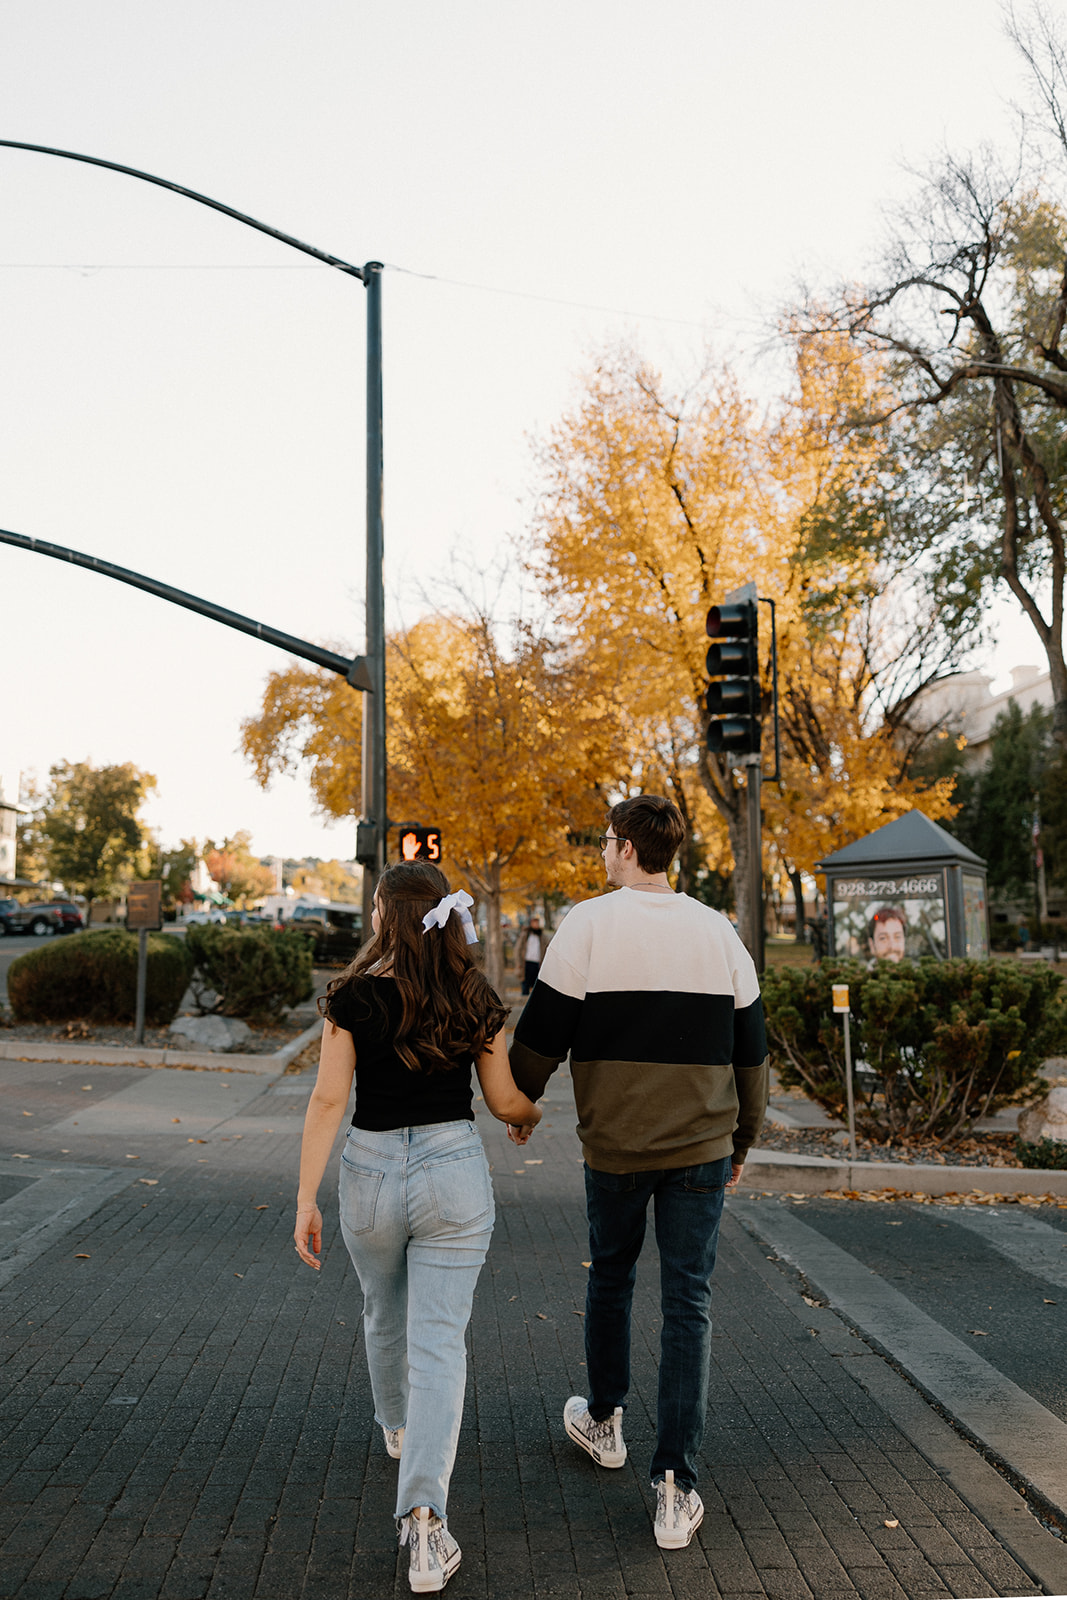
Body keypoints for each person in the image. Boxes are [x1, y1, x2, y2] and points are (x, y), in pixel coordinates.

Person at [509, 795, 767, 1551]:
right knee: (688, 1300)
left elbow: (535, 1047)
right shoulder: (718, 932)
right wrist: (742, 1141)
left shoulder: (586, 924)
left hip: (614, 1148)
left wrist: (520, 1106)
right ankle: (675, 1485)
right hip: (700, 1149)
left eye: (604, 843)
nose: (601, 853)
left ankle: (604, 1419)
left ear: (624, 848)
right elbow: (749, 1054)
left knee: (611, 1276)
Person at [294, 861, 541, 1593]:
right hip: (452, 1174)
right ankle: (426, 1526)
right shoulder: (472, 993)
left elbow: (327, 1102)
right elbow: (501, 1102)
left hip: (369, 1172)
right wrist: (531, 1115)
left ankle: (396, 1427)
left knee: (381, 1309)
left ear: (380, 916)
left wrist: (307, 1195)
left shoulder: (351, 997)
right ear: (447, 918)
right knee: (439, 1342)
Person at [521, 917, 543, 995]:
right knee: (525, 982)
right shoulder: (526, 935)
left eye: (537, 923)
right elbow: (519, 948)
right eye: (534, 923)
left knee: (536, 983)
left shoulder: (541, 935)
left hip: (537, 962)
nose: (536, 925)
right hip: (527, 962)